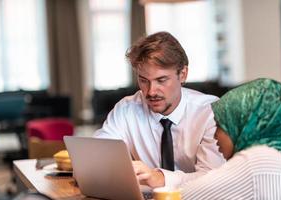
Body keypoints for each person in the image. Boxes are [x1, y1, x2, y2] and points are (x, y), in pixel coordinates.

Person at [93, 31, 225, 188]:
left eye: (161, 80)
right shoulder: (126, 109)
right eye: (143, 81)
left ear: (183, 74)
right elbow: (97, 156)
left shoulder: (212, 113)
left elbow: (211, 179)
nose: (151, 92)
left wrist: (159, 178)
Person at [181, 78, 281, 199]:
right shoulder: (279, 157)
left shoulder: (259, 160)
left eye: (221, 125)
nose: (215, 135)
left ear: (245, 124)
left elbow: (185, 195)